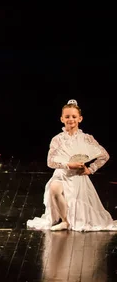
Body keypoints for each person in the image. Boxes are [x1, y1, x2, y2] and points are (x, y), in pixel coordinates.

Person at [27, 99, 117, 231]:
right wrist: (69, 165)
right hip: (62, 174)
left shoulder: (86, 138)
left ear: (80, 119)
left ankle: (74, 219)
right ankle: (65, 221)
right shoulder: (57, 139)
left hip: (78, 177)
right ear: (62, 119)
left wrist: (91, 169)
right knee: (54, 188)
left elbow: (104, 155)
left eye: (74, 117)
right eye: (67, 116)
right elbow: (50, 162)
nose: (71, 119)